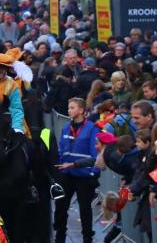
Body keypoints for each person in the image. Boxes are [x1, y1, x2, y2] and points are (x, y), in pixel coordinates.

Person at [54, 97, 101, 243]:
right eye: (69, 107)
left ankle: (87, 238)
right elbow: (61, 150)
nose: (69, 110)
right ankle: (59, 237)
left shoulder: (92, 128)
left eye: (72, 107)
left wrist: (75, 165)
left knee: (85, 209)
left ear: (81, 110)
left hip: (84, 176)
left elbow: (95, 157)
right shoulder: (66, 128)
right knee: (60, 206)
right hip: (66, 175)